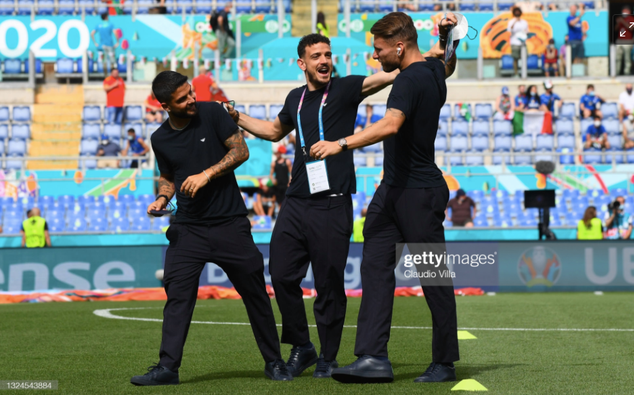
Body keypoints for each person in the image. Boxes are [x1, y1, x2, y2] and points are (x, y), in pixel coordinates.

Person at [226, 30, 450, 380]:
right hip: (297, 200)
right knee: (282, 275)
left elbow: (393, 72)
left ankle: (330, 357)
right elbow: (272, 131)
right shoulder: (295, 98)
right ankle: (303, 345)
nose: (325, 60)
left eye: (328, 54)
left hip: (334, 202)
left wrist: (435, 49)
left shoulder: (346, 88)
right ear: (302, 63)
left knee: (329, 283)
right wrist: (237, 117)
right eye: (316, 56)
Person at [309, 12, 459, 384]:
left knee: (433, 277)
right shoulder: (431, 71)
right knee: (374, 265)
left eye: (378, 50)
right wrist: (448, 35)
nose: (375, 57)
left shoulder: (409, 81)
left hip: (419, 192)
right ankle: (373, 357)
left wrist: (339, 143)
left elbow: (391, 125)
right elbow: (448, 65)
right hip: (392, 190)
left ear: (399, 46)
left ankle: (444, 361)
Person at [130, 71, 291, 386]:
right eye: (182, 98)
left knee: (256, 294)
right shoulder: (159, 138)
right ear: (164, 105)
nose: (191, 100)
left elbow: (241, 151)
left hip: (230, 223)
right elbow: (168, 175)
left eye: (190, 92)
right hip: (188, 228)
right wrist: (162, 198)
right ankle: (167, 369)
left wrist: (206, 174)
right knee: (177, 295)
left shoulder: (213, 112)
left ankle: (275, 362)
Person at [507, 7, 528, 77]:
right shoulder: (511, 22)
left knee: (524, 58)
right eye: (516, 12)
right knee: (515, 58)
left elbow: (527, 31)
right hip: (515, 42)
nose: (517, 13)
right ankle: (516, 73)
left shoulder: (524, 22)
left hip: (523, 43)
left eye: (518, 12)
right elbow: (509, 30)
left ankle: (524, 73)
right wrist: (515, 21)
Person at [615, 5, 634, 76]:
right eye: (623, 11)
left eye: (625, 11)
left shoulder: (632, 19)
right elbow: (616, 29)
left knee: (627, 58)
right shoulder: (620, 19)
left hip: (627, 41)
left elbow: (631, 28)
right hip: (619, 40)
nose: (623, 12)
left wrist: (623, 21)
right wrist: (618, 22)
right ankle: (617, 72)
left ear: (629, 12)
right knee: (617, 57)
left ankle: (627, 72)